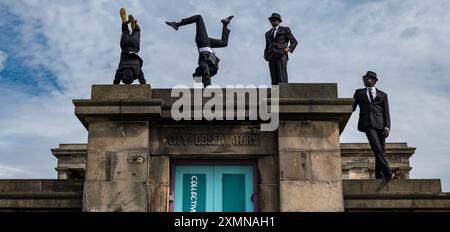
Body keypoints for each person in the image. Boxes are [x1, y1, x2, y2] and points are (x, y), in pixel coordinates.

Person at [165, 14, 233, 87]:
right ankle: (225, 24)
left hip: (202, 42)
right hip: (207, 44)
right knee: (224, 43)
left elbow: (201, 75)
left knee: (198, 17)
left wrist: (204, 84)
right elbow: (205, 74)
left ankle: (176, 24)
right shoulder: (211, 69)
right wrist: (206, 84)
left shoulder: (203, 65)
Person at [353, 71, 395, 180]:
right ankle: (388, 172)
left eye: (369, 78)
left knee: (380, 150)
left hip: (381, 126)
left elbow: (386, 112)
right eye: (365, 78)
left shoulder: (383, 95)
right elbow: (351, 107)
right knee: (377, 148)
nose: (366, 80)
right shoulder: (359, 93)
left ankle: (379, 176)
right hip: (367, 124)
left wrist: (387, 127)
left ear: (374, 81)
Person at [114, 8, 146, 85]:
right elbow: (115, 82)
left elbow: (143, 82)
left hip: (133, 46)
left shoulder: (137, 71)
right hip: (124, 45)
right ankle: (124, 23)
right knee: (125, 31)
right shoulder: (120, 72)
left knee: (137, 31)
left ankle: (134, 26)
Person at [264, 13, 298, 85]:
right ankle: (275, 94)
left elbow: (294, 42)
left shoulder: (285, 30)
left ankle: (284, 94)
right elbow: (267, 46)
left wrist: (287, 49)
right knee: (274, 77)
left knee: (282, 76)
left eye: (274, 20)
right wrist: (266, 55)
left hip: (281, 55)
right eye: (271, 20)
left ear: (278, 21)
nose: (272, 22)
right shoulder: (267, 34)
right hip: (271, 57)